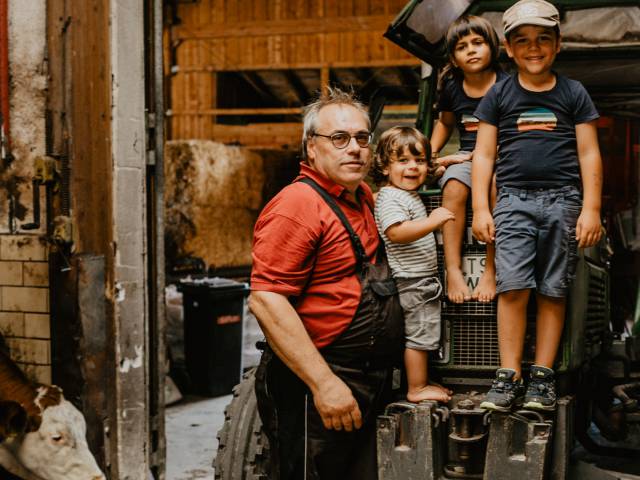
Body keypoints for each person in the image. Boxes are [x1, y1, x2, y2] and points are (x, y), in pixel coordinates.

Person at [249, 87, 404, 479]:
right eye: (338, 138)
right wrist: (324, 384)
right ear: (311, 148)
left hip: (367, 381)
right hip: (318, 384)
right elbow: (267, 299)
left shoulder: (362, 197)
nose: (353, 148)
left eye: (361, 138)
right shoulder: (298, 204)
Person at [472, 0, 603, 411]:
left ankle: (542, 377)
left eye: (543, 38)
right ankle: (508, 374)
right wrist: (480, 208)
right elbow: (483, 156)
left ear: (558, 44)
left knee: (553, 289)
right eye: (523, 41)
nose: (534, 48)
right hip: (512, 200)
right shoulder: (499, 94)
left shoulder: (573, 93)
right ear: (508, 49)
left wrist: (591, 208)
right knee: (512, 288)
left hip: (564, 201)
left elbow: (588, 154)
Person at [371, 126, 454, 403]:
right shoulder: (390, 198)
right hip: (413, 280)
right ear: (384, 167)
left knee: (425, 331)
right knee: (420, 334)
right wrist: (434, 221)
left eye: (419, 161)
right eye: (403, 161)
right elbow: (396, 232)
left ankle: (420, 379)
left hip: (419, 279)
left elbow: (430, 170)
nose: (413, 168)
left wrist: (449, 162)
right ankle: (416, 388)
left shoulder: (403, 191)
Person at [431, 15, 506, 304]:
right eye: (462, 47)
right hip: (466, 160)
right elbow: (445, 123)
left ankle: (491, 267)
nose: (471, 50)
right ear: (454, 57)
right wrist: (430, 153)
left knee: (495, 185)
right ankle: (453, 270)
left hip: (501, 158)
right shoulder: (451, 85)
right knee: (452, 188)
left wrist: (486, 157)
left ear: (493, 47)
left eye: (478, 43)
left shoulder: (507, 85)